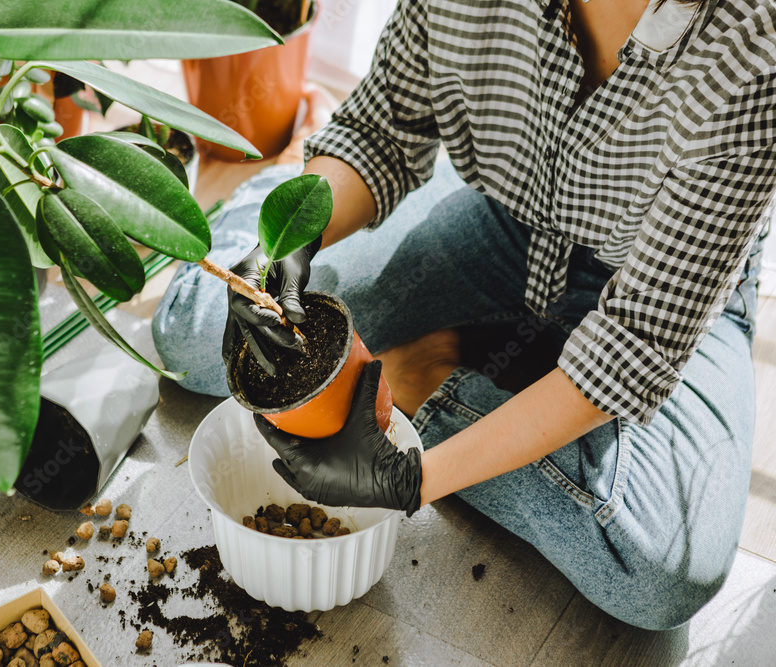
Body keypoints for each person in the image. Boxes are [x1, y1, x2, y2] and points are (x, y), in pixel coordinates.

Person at [153, 0, 775, 630]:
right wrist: (287, 241)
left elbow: (632, 348)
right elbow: (379, 131)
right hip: (499, 213)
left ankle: (424, 382)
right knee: (201, 336)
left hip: (668, 282)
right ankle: (268, 197)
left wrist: (409, 478)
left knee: (660, 575)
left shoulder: (755, 44)